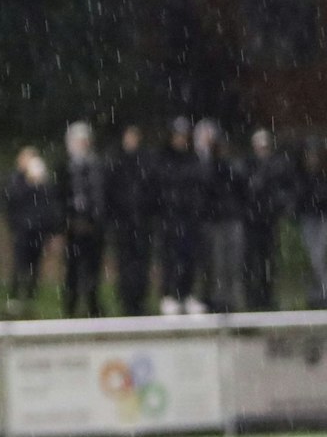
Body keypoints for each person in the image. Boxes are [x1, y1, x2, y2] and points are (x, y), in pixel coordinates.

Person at [154, 117, 208, 315]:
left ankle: (187, 294)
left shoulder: (193, 159)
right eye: (177, 135)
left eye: (184, 136)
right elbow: (160, 187)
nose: (180, 140)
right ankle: (168, 295)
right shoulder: (163, 159)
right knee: (170, 257)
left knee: (190, 257)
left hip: (190, 217)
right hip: (170, 217)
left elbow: (200, 185)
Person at [58, 122, 109, 318]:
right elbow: (60, 198)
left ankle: (92, 305)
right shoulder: (65, 168)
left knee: (93, 269)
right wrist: (69, 221)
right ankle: (70, 307)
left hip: (93, 228)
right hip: (73, 229)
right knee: (72, 270)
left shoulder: (97, 166)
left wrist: (94, 220)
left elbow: (101, 198)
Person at [241, 129, 294, 311]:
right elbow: (244, 191)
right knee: (251, 261)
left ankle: (267, 296)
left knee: (268, 261)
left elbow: (282, 190)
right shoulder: (248, 165)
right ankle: (251, 298)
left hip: (269, 221)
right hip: (251, 222)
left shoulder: (276, 166)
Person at [198, 122, 248, 313]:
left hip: (232, 219)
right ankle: (219, 300)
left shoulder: (233, 165)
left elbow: (243, 188)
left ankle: (234, 300)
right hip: (216, 221)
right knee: (218, 263)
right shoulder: (208, 166)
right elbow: (206, 190)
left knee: (234, 263)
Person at [2, 147, 59, 316]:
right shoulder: (16, 179)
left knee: (35, 265)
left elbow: (49, 206)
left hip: (38, 230)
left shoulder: (44, 183)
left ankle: (29, 298)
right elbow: (12, 200)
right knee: (20, 264)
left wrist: (51, 230)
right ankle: (14, 298)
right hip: (22, 230)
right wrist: (29, 184)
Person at [106, 125, 155, 316]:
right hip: (123, 223)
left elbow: (151, 190)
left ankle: (140, 300)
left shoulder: (145, 162)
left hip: (142, 223)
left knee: (141, 263)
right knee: (125, 264)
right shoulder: (117, 162)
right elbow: (110, 193)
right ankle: (126, 301)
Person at [297, 138, 327, 309]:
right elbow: (301, 197)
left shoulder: (322, 176)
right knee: (313, 256)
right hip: (309, 218)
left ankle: (323, 291)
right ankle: (317, 292)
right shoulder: (303, 176)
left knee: (319, 255)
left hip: (323, 216)